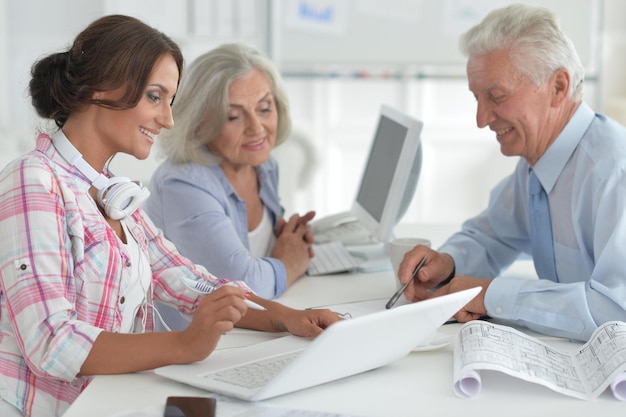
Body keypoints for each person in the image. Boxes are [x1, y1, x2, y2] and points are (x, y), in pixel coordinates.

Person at [0, 16, 339, 417]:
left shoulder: (111, 191)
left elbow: (187, 281)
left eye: (170, 101)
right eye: (155, 97)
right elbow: (51, 342)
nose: (168, 120)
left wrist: (288, 319)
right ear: (100, 87)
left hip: (113, 402)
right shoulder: (33, 180)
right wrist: (184, 346)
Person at [397, 4, 626, 342]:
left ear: (558, 88)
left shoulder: (613, 172)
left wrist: (491, 295)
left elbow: (618, 312)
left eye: (497, 96)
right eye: (476, 98)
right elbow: (492, 237)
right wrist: (448, 263)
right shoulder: (540, 160)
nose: (481, 118)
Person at [144, 43, 314, 302]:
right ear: (199, 124)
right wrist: (289, 263)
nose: (256, 128)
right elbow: (241, 287)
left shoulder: (263, 164)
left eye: (265, 108)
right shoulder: (182, 186)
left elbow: (261, 255)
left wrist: (291, 240)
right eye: (234, 116)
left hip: (253, 326)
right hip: (208, 339)